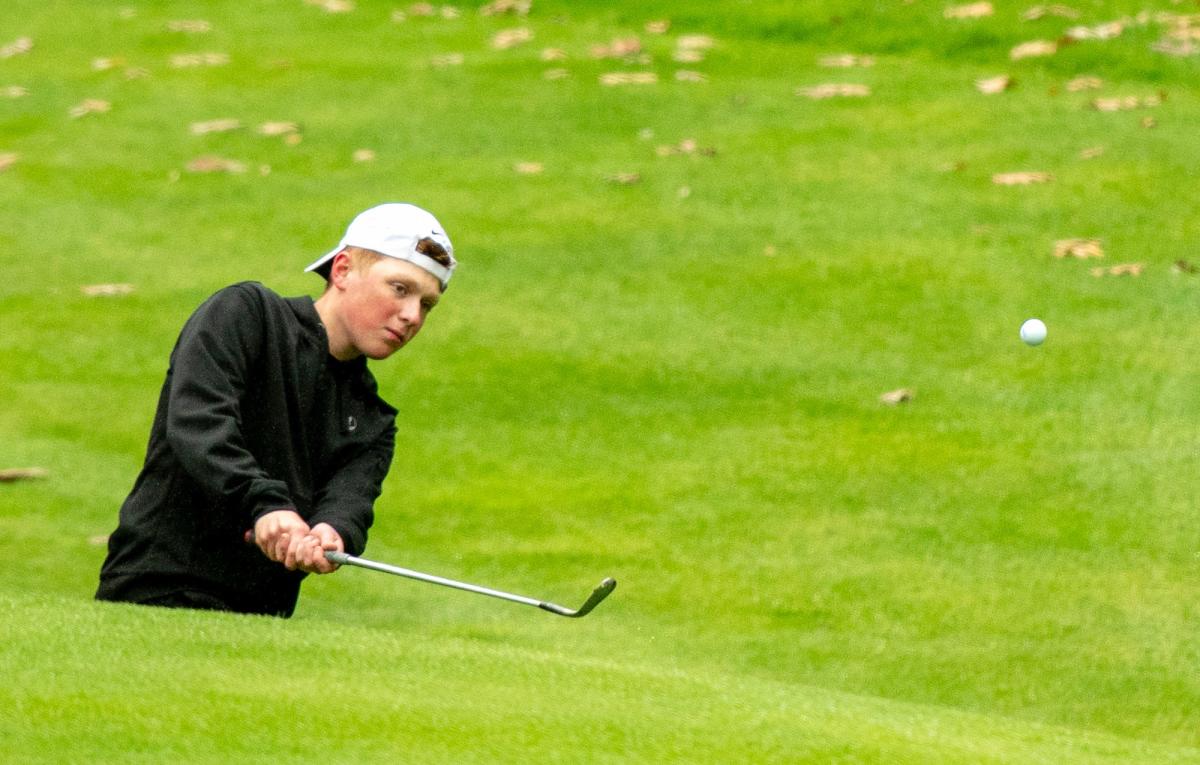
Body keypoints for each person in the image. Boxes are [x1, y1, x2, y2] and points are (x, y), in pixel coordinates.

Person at [96, 203, 456, 617]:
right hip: (158, 588)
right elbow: (199, 426)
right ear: (342, 271)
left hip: (264, 617)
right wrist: (265, 505)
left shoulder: (373, 419)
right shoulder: (246, 315)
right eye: (400, 288)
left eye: (427, 304)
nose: (412, 315)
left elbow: (349, 502)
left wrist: (331, 534)